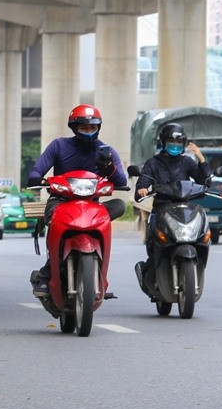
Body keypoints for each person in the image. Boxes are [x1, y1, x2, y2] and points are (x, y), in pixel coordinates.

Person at [26, 104, 127, 296]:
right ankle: (46, 274)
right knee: (55, 222)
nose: (89, 132)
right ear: (74, 127)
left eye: (92, 128)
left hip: (92, 206)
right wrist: (37, 178)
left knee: (119, 205)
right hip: (61, 202)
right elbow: (37, 171)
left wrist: (109, 170)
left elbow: (121, 181)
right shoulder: (58, 145)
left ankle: (99, 275)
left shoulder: (107, 152)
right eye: (84, 128)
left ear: (98, 128)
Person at [133, 123, 211, 296]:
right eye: (171, 141)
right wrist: (142, 189)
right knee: (155, 244)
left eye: (178, 142)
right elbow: (143, 183)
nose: (175, 145)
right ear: (163, 142)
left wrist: (201, 158)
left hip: (185, 209)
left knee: (201, 237)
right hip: (161, 209)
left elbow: (205, 182)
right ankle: (150, 275)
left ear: (183, 144)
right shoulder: (153, 163)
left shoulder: (187, 162)